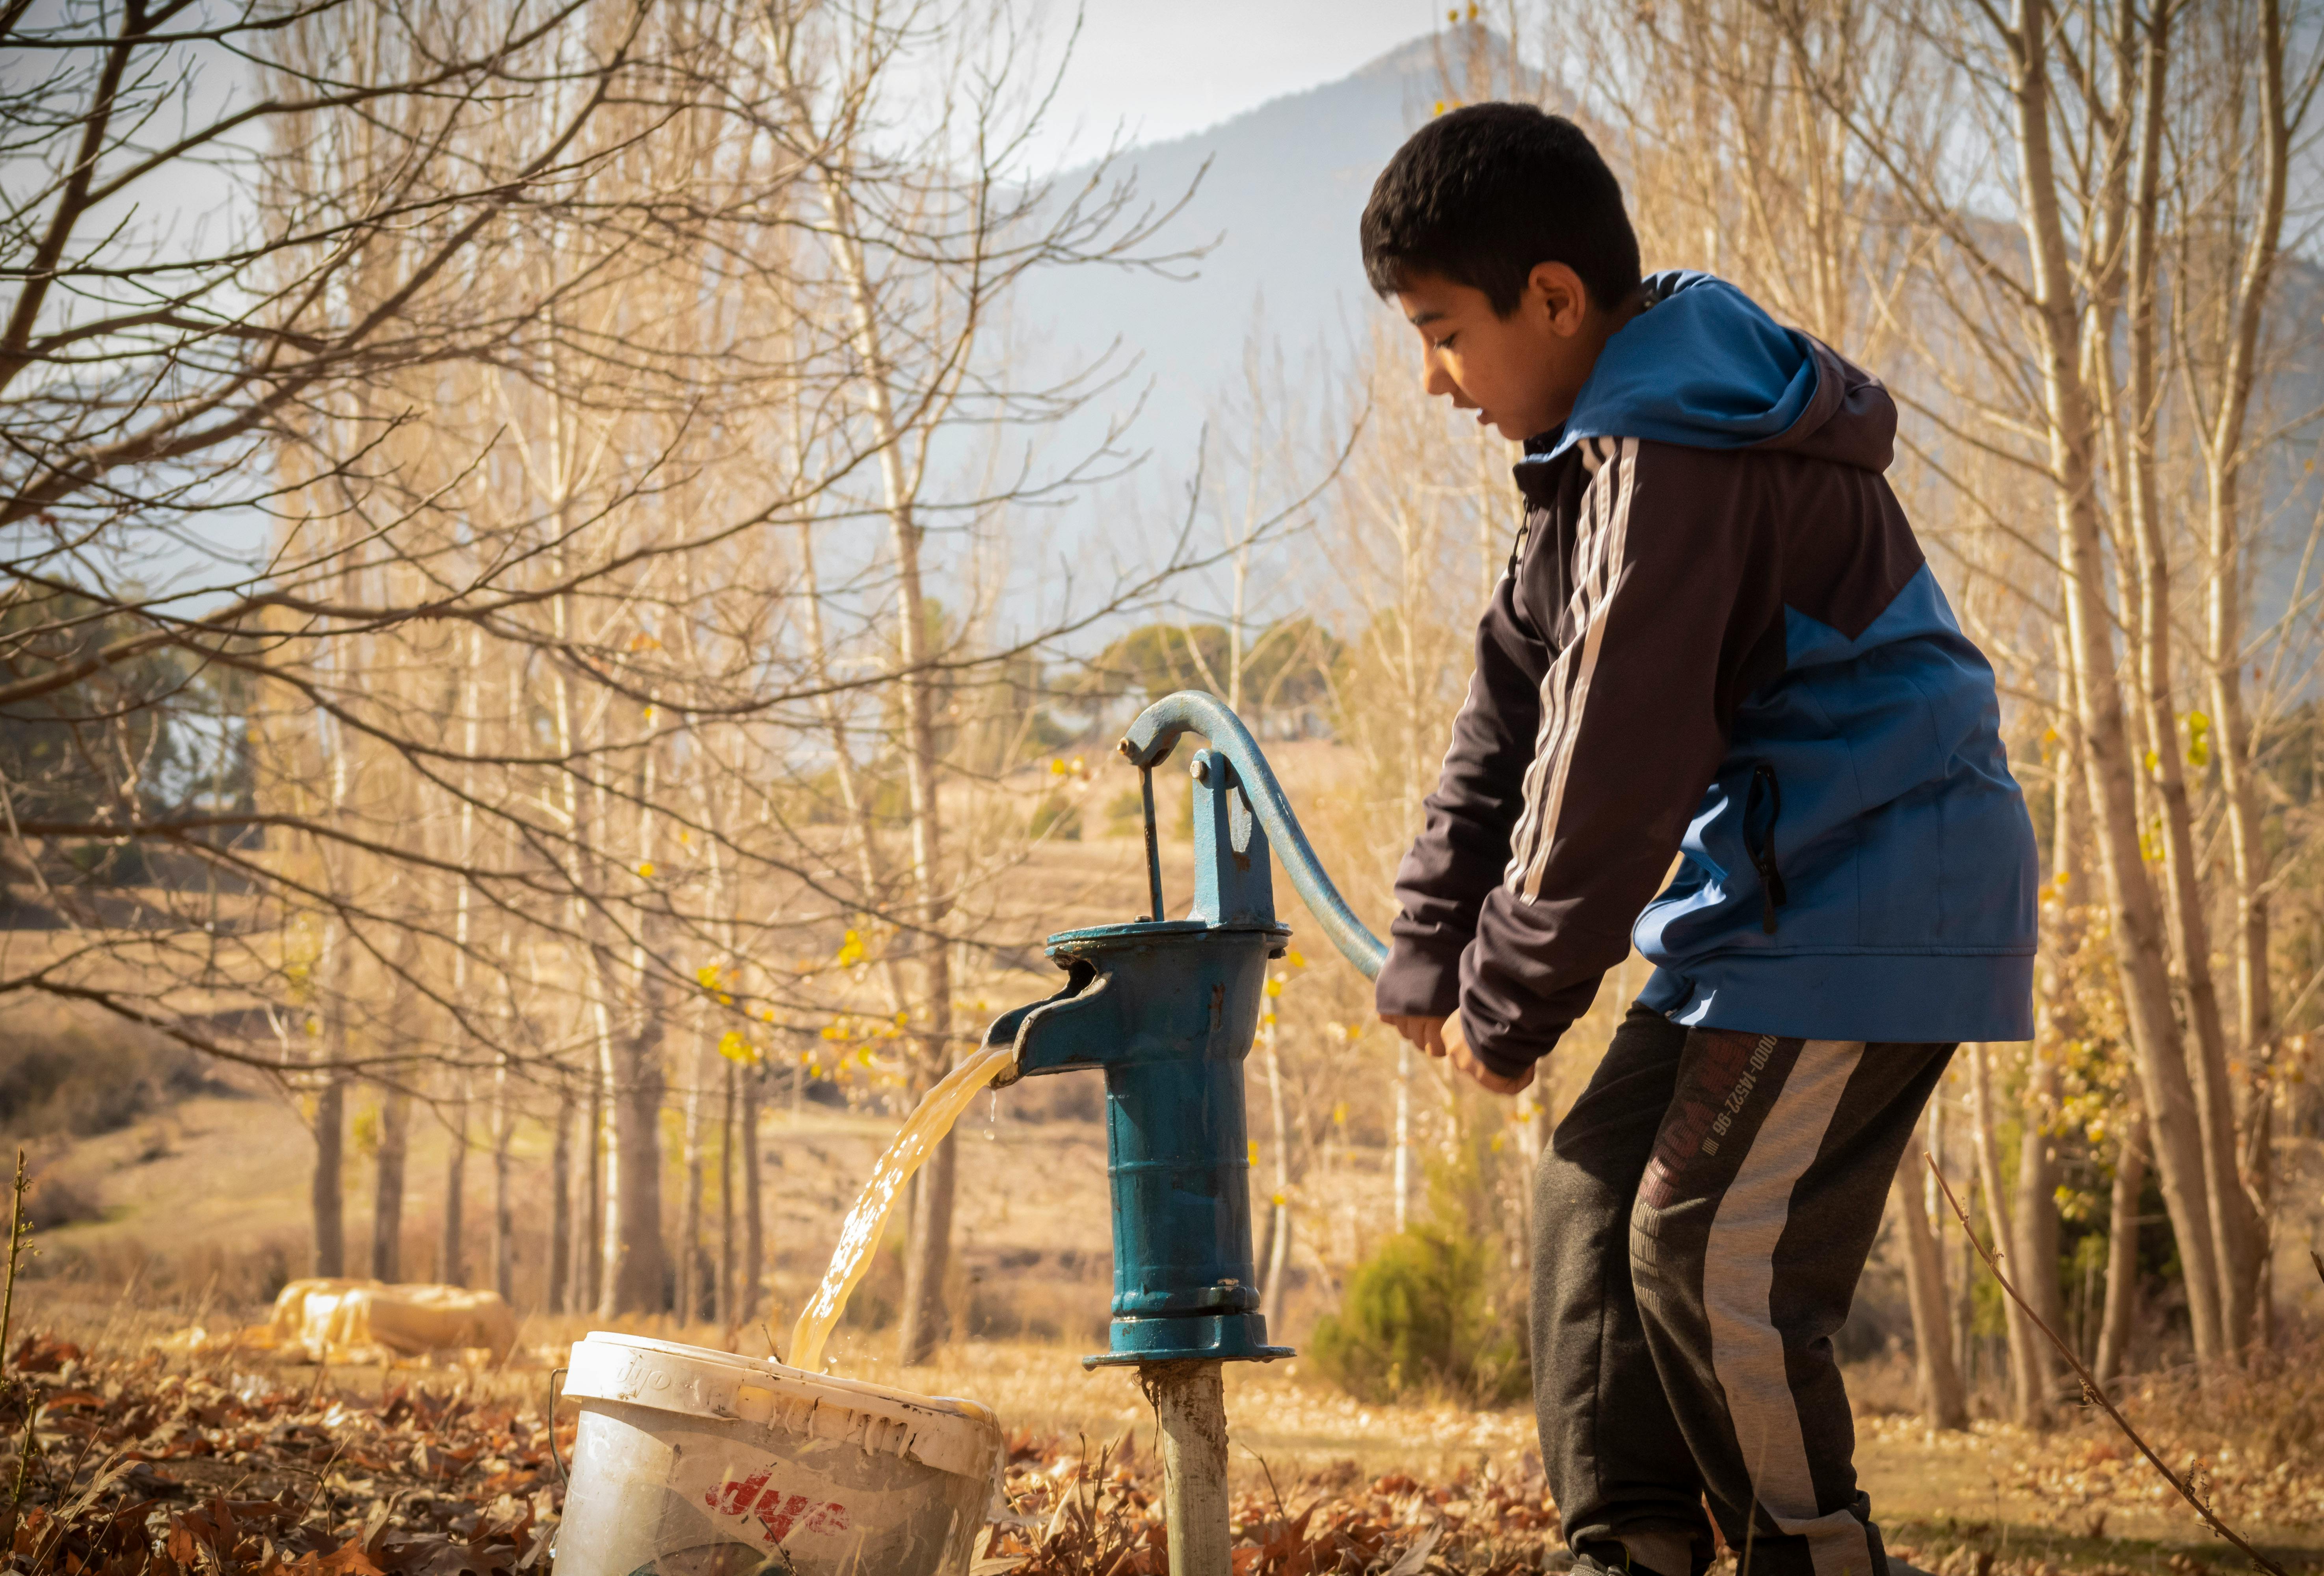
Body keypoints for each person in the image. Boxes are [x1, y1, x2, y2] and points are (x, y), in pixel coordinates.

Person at [1360, 102, 2037, 1576]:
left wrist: (1509, 999)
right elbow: (1509, 709)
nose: (1430, 380)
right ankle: (1636, 1546)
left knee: (1705, 1248)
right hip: (1769, 900)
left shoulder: (1670, 465)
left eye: (1441, 332)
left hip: (1874, 892)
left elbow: (1608, 761)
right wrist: (1428, 943)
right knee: (1592, 1204)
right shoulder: (1595, 459)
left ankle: (1813, 1555)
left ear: (1551, 298)